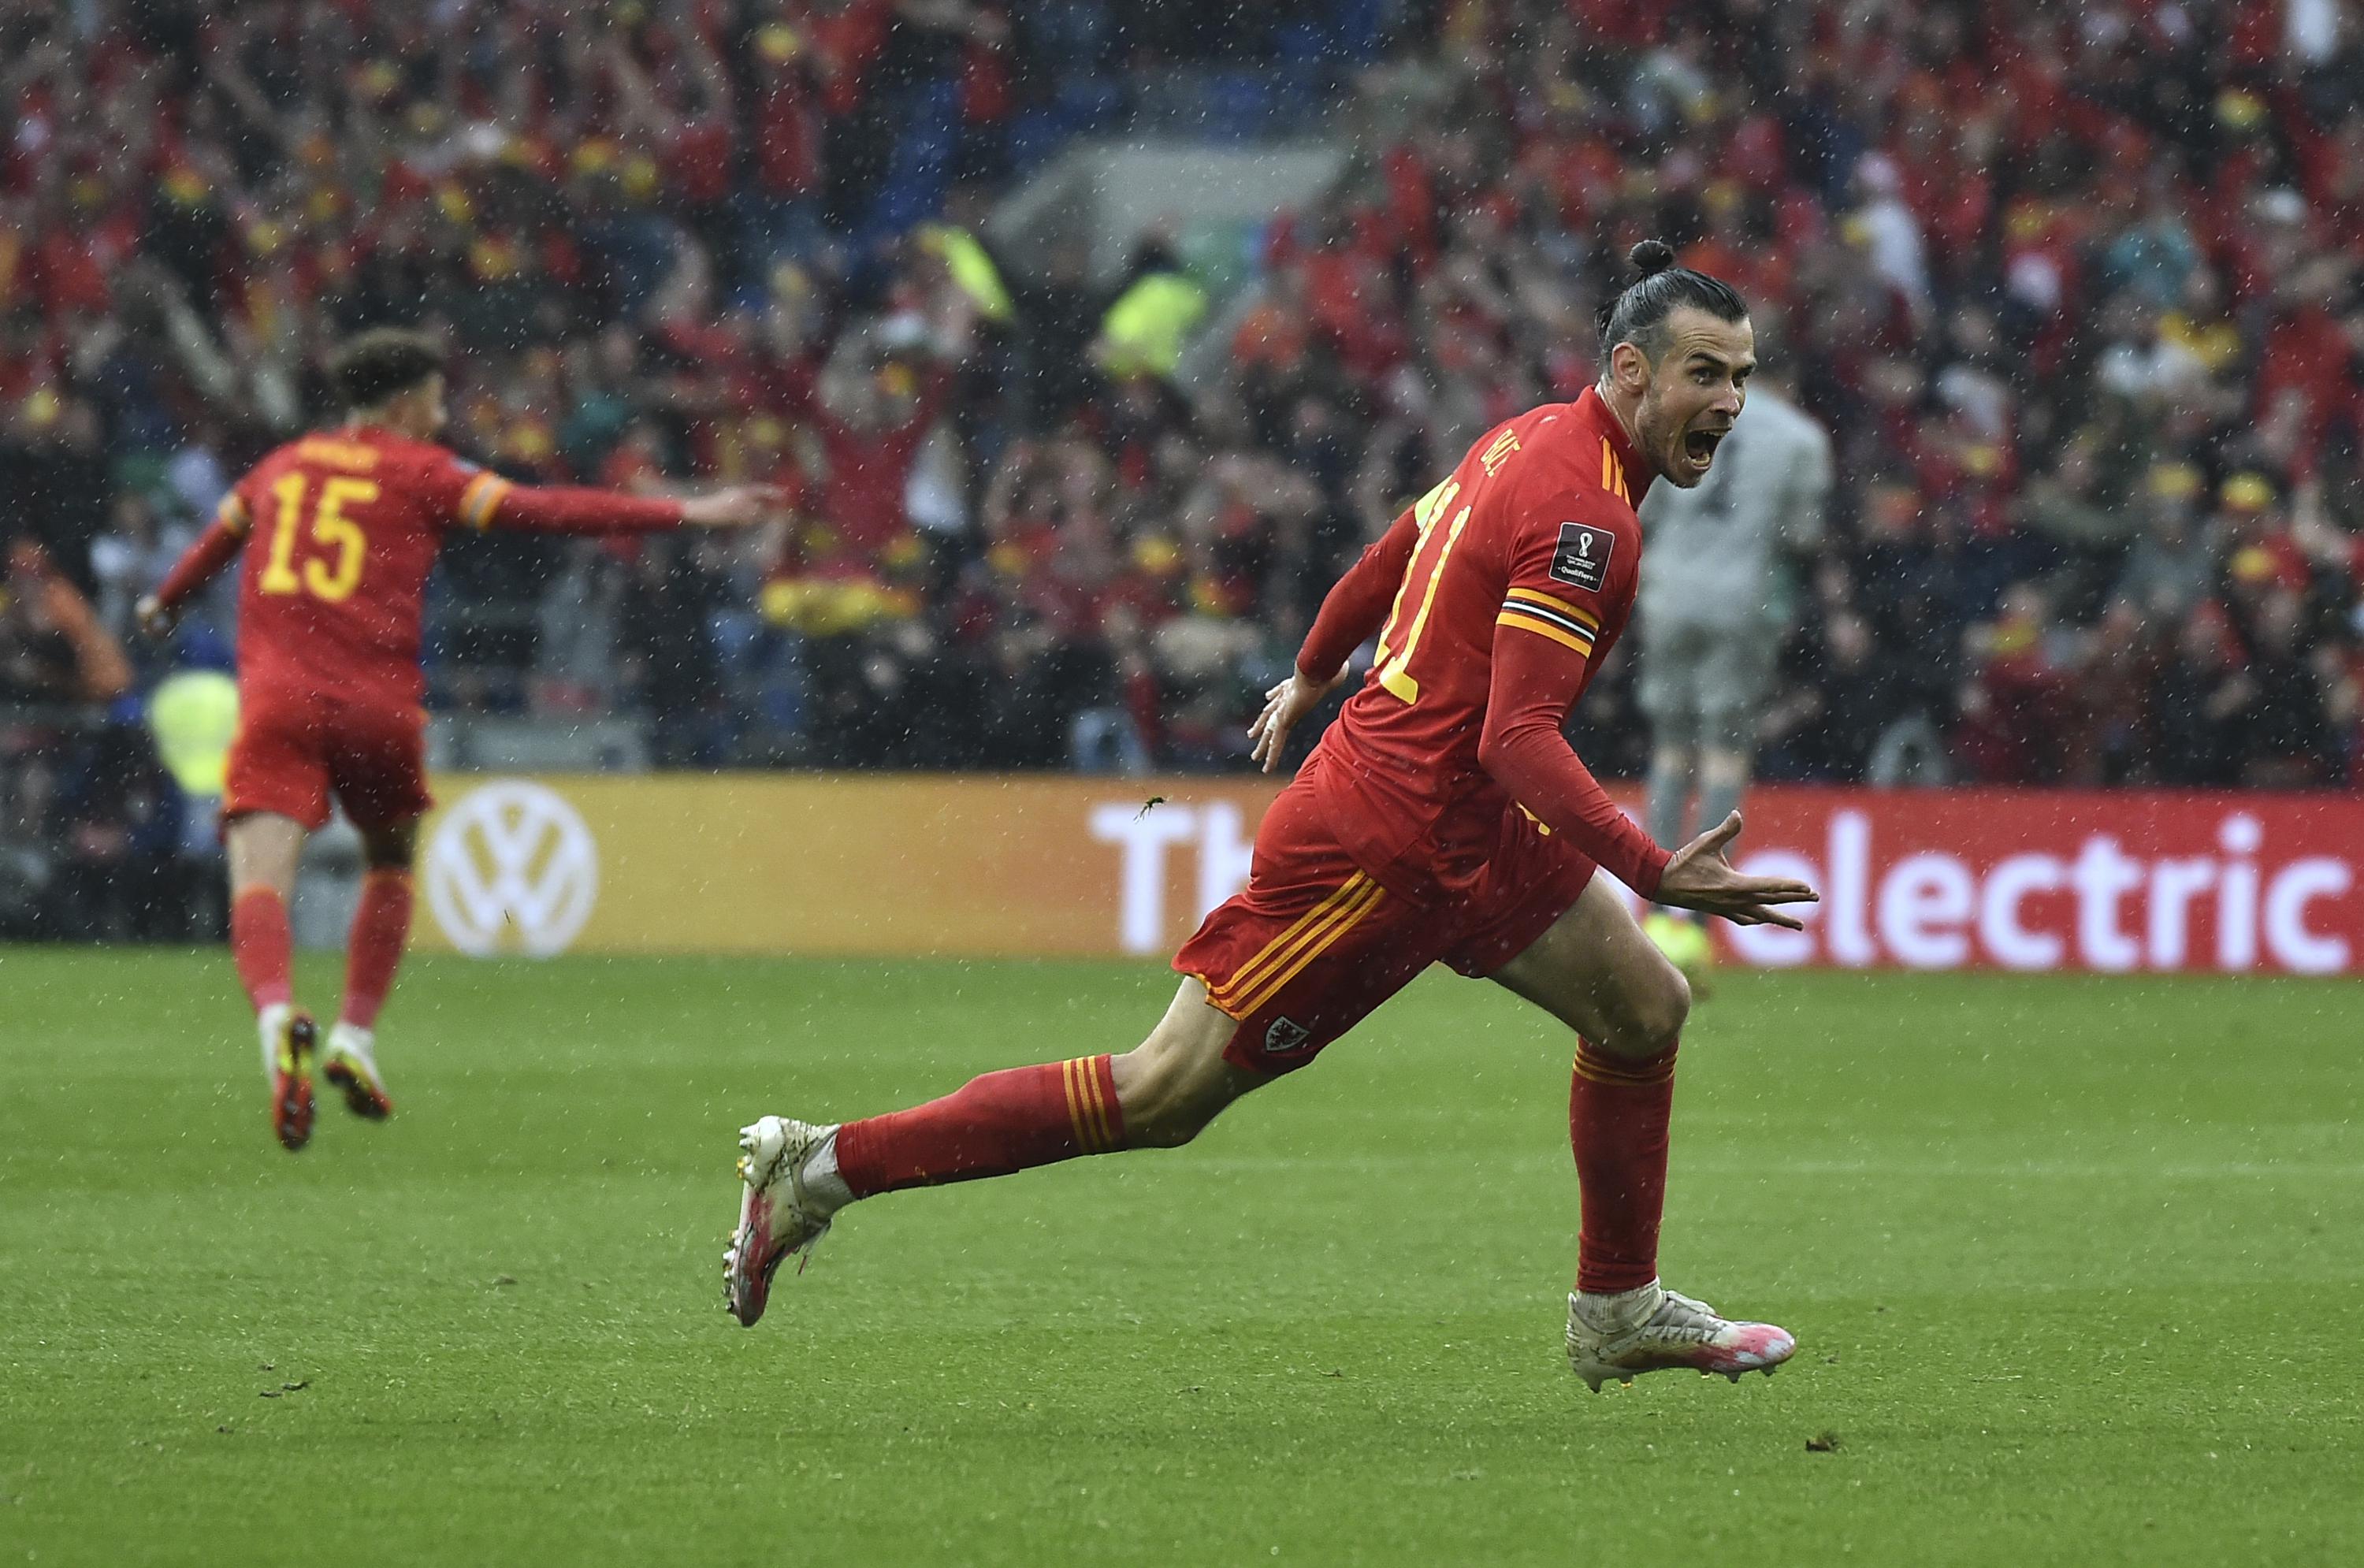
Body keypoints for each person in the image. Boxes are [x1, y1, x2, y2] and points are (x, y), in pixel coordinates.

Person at [721, 243, 1818, 1392]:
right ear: (1633, 371)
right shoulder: (1589, 517)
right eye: (1707, 374)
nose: (1731, 402)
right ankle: (818, 1167)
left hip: (1465, 821)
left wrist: (1309, 670)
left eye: (1742, 376)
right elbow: (1516, 736)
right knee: (1160, 1094)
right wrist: (1650, 868)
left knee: (1646, 1005)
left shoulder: (1527, 436)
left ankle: (1617, 1306)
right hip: (1385, 839)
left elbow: (1399, 545)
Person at [138, 329, 776, 1152]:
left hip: (278, 701)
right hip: (377, 708)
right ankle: (354, 1035)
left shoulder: (283, 466)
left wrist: (164, 603)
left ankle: (276, 1021)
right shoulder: (424, 473)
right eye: (438, 403)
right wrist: (683, 510)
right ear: (406, 402)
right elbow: (545, 512)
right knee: (392, 863)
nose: (442, 419)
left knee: (259, 879)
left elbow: (214, 544)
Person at [1634, 364, 1831, 989]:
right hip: (1741, 604)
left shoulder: (1687, 417)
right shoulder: (1799, 439)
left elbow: (1650, 509)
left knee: (1670, 752)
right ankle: (1695, 922)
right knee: (1723, 756)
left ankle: (1655, 910)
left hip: (1668, 594)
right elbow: (1803, 535)